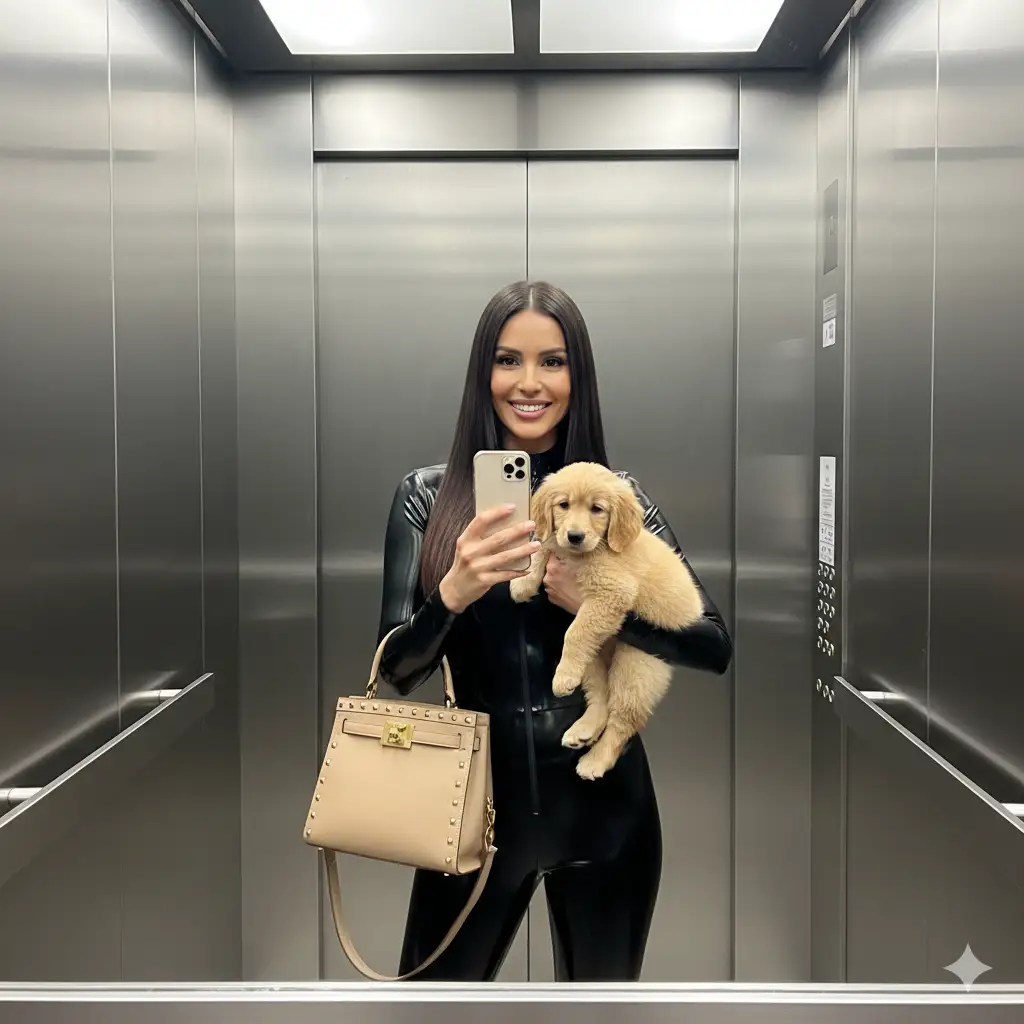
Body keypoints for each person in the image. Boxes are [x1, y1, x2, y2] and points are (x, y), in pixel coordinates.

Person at [376, 280, 732, 982]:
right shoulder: (426, 496)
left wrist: (594, 604)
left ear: (580, 377)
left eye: (555, 361)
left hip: (606, 810)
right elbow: (396, 667)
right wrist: (453, 591)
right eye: (508, 360)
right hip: (471, 808)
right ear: (484, 374)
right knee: (431, 1011)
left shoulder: (614, 498)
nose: (530, 383)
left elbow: (712, 643)